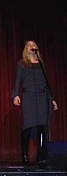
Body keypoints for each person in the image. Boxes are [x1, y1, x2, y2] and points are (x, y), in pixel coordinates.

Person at [12, 40, 58, 168]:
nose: (32, 46)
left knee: (42, 126)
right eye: (29, 45)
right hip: (29, 97)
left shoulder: (42, 64)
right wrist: (15, 95)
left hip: (42, 97)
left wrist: (52, 99)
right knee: (28, 125)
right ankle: (25, 156)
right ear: (26, 49)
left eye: (34, 45)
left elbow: (46, 83)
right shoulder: (22, 64)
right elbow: (17, 80)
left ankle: (41, 157)